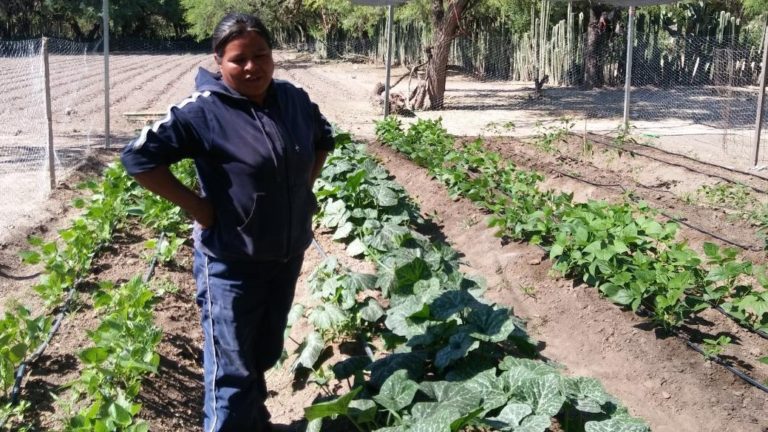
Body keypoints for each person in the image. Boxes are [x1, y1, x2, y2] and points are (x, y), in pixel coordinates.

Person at [120, 12, 334, 432]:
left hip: (286, 256)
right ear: (219, 61)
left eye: (261, 54)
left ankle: (254, 421)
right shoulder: (202, 112)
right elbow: (137, 158)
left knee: (263, 353)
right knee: (231, 373)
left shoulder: (294, 100)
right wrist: (199, 208)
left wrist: (303, 189)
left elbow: (322, 138)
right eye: (239, 59)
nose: (252, 66)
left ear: (273, 55)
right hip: (231, 263)